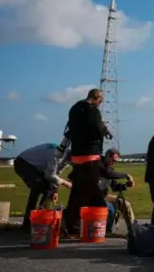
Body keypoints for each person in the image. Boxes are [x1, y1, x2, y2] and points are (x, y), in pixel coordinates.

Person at [63, 88, 112, 234]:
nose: (99, 104)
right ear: (96, 98)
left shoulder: (74, 108)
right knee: (91, 189)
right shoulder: (93, 111)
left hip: (76, 155)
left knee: (78, 190)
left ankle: (69, 222)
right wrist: (103, 129)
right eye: (100, 101)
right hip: (90, 155)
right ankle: (99, 221)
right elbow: (96, 129)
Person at [13, 137, 72, 232]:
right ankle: (36, 222)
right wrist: (65, 183)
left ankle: (33, 222)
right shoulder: (58, 156)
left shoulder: (64, 157)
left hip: (34, 166)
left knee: (43, 190)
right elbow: (50, 175)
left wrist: (55, 190)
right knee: (41, 189)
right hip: (24, 163)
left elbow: (55, 174)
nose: (70, 164)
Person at [97, 148, 135, 234]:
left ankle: (133, 230)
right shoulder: (98, 164)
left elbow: (115, 187)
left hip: (104, 196)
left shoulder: (110, 169)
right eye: (113, 160)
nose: (114, 163)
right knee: (110, 209)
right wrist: (126, 175)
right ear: (107, 156)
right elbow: (108, 174)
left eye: (116, 161)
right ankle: (107, 232)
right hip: (93, 196)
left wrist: (126, 185)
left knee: (125, 204)